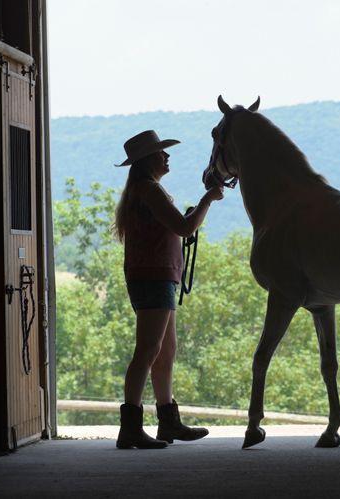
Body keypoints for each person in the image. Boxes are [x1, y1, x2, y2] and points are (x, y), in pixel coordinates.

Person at [112, 130, 224, 449]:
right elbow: (185, 227)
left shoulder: (143, 189)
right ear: (148, 160)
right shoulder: (149, 190)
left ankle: (167, 421)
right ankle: (131, 427)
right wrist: (207, 200)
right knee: (148, 350)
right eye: (161, 153)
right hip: (155, 277)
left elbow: (175, 226)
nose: (166, 157)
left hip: (157, 276)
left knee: (164, 351)